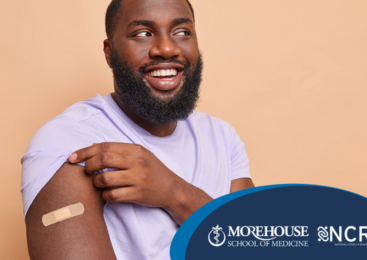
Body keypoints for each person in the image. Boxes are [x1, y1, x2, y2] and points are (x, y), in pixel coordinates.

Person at [21, 0, 254, 259]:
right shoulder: (72, 140)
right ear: (109, 53)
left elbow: (259, 247)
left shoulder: (221, 136)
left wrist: (173, 192)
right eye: (143, 34)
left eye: (182, 32)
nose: (167, 48)